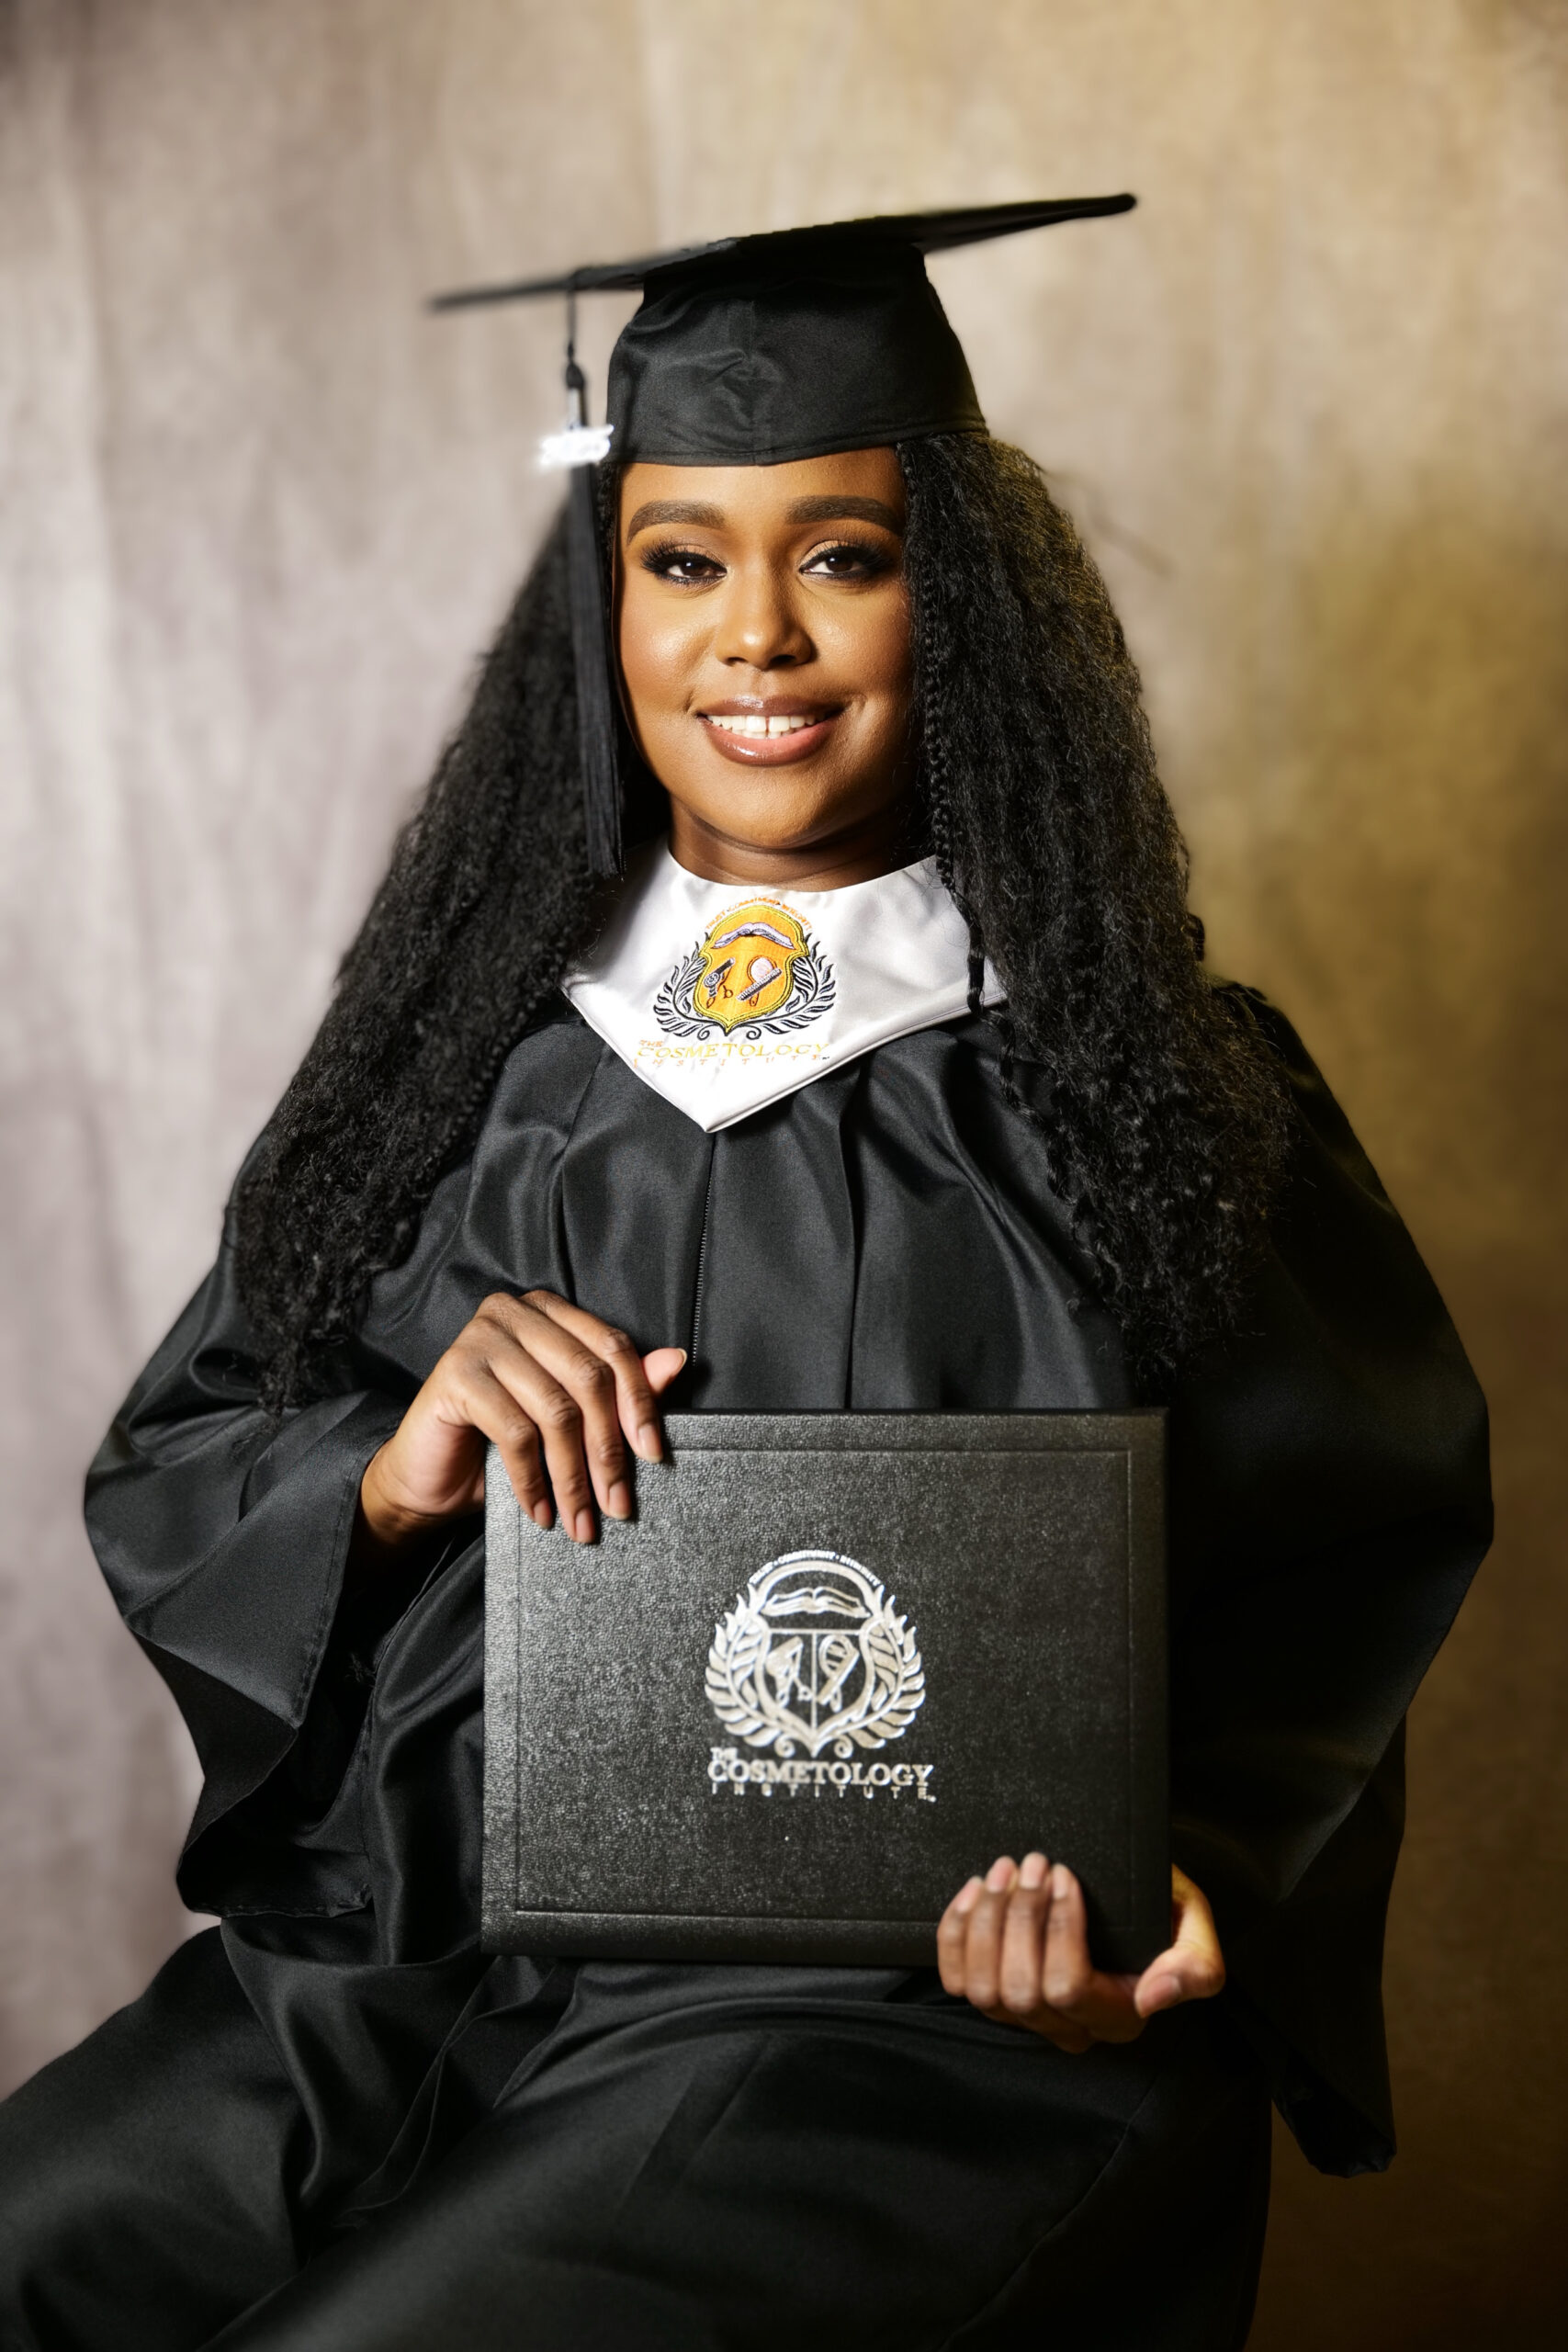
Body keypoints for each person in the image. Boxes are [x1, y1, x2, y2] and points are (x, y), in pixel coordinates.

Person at [0, 204, 1489, 2351]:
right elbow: (191, 1444)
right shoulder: (466, 1060)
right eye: (682, 558)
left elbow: (1341, 1561)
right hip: (410, 1970)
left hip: (890, 2029)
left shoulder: (1138, 1099)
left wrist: (1183, 1890)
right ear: (600, 602)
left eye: (845, 558)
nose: (754, 638)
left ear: (954, 604)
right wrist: (385, 1471)